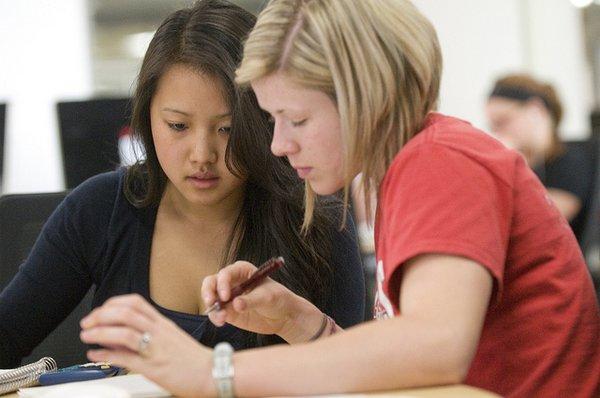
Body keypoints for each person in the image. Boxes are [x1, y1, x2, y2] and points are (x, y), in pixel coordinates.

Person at [80, 1, 600, 397]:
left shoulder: (441, 161)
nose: (280, 144)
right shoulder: (402, 172)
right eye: (272, 120)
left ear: (363, 99)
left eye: (297, 119)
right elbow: (394, 370)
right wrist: (295, 321)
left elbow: (435, 348)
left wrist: (212, 372)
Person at [0, 0, 366, 368]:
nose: (202, 155)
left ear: (265, 121)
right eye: (178, 126)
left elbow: (363, 374)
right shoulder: (98, 208)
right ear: (146, 118)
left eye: (228, 129)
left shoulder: (316, 218)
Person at [486, 74, 596, 243]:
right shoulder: (532, 164)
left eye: (503, 121)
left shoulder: (571, 160)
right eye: (493, 126)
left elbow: (539, 224)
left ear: (536, 110)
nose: (497, 133)